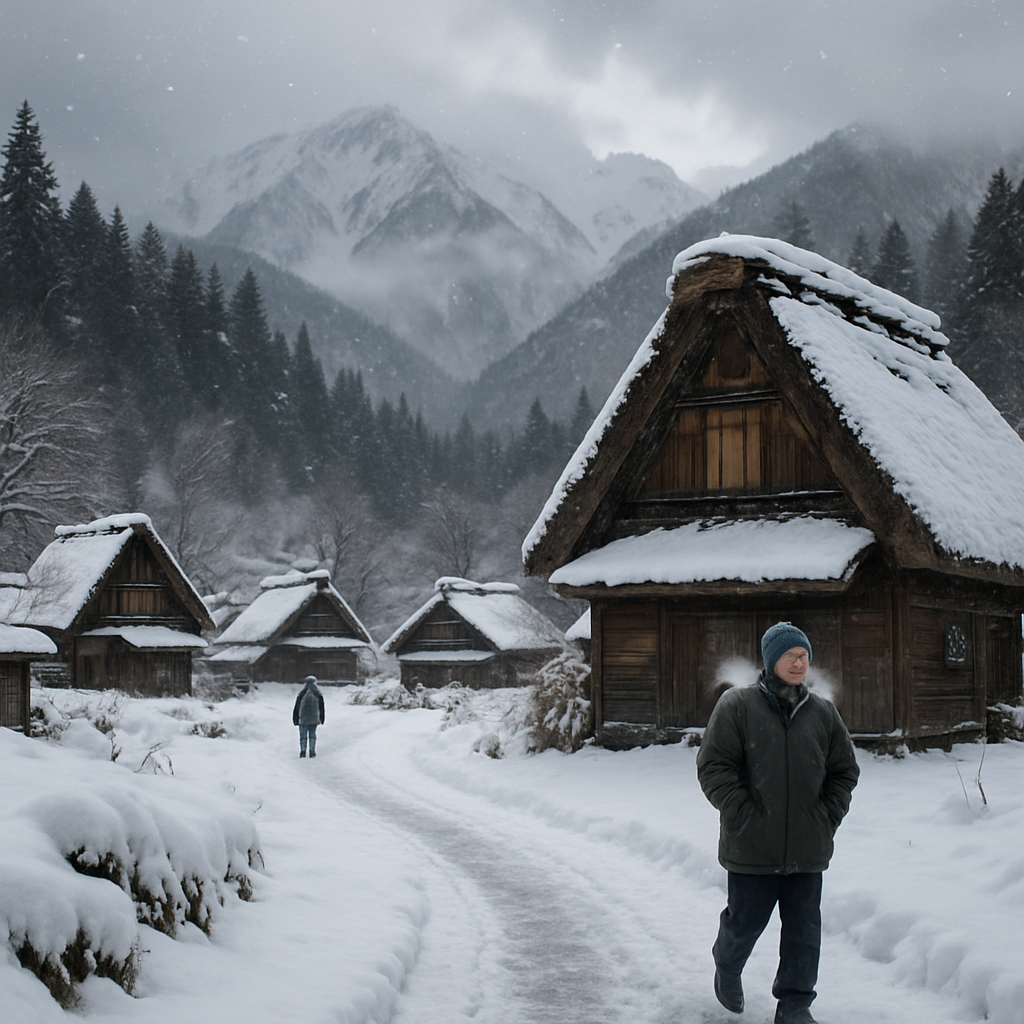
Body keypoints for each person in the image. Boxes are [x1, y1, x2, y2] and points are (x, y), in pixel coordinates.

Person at [696, 622, 859, 1024]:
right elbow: (714, 767)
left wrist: (825, 817)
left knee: (804, 933)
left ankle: (795, 1005)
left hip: (808, 848)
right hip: (752, 846)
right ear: (772, 662)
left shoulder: (823, 713)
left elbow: (845, 771)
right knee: (745, 922)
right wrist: (743, 814)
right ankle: (727, 966)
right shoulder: (737, 706)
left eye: (804, 656)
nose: (800, 663)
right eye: (791, 656)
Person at [292, 675, 325, 758]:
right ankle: (312, 751)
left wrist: (295, 719)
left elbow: (297, 707)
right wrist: (322, 718)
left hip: (303, 719)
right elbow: (321, 707)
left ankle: (303, 751)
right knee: (312, 735)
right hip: (314, 718)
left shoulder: (301, 694)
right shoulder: (318, 694)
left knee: (303, 736)